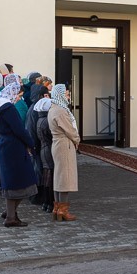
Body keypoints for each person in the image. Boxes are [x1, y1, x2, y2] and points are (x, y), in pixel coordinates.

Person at [0, 81, 38, 226]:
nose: (18, 98)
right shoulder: (8, 108)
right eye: (18, 95)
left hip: (3, 144)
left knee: (11, 179)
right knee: (20, 180)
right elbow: (19, 129)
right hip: (14, 146)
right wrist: (31, 143)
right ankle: (11, 217)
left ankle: (10, 212)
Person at [48, 84, 82, 222]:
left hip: (58, 144)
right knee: (64, 178)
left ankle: (57, 208)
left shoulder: (53, 108)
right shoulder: (60, 111)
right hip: (64, 144)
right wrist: (77, 139)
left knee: (59, 176)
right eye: (66, 94)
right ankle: (62, 210)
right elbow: (70, 130)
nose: (68, 97)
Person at [35, 95, 55, 212]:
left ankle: (46, 202)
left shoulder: (39, 120)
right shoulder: (47, 121)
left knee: (46, 176)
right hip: (49, 149)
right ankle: (50, 202)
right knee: (50, 177)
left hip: (43, 149)